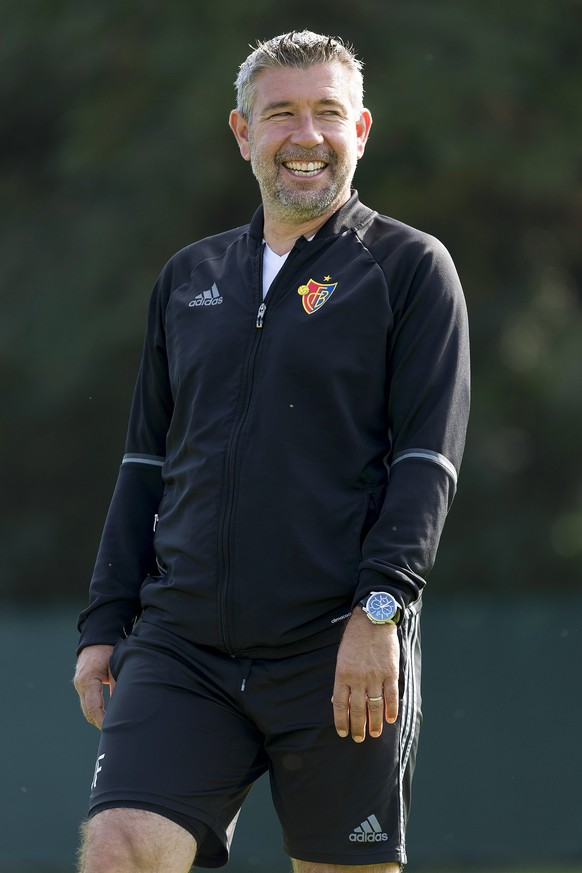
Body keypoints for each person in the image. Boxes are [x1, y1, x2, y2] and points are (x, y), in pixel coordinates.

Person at [73, 29, 470, 873]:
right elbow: (144, 462)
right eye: (280, 113)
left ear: (360, 131)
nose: (306, 135)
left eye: (328, 112)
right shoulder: (189, 277)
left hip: (335, 644)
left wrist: (380, 612)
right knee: (121, 846)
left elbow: (427, 463)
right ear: (242, 133)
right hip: (182, 642)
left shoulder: (409, 269)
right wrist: (104, 622)